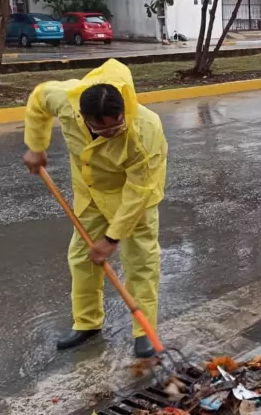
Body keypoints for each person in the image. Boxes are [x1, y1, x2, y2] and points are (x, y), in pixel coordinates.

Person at [22, 59, 168, 358]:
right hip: (90, 195)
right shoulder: (66, 100)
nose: (109, 133)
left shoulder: (145, 128)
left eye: (115, 127)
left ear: (122, 112)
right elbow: (38, 99)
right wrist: (36, 145)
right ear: (83, 116)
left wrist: (111, 239)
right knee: (81, 260)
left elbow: (139, 189)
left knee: (140, 264)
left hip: (134, 202)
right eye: (100, 129)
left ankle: (144, 332)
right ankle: (86, 323)